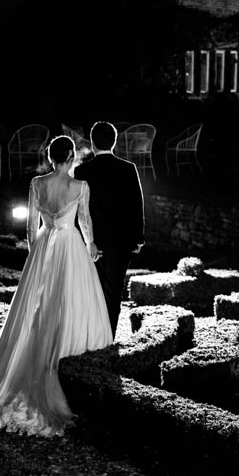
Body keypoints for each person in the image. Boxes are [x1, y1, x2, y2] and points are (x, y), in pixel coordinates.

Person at [0, 135, 112, 437]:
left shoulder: (37, 183)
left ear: (51, 157)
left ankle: (29, 364)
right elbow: (84, 222)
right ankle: (68, 363)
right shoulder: (79, 187)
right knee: (70, 303)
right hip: (70, 246)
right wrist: (92, 245)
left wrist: (36, 254)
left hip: (44, 247)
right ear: (70, 156)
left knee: (36, 308)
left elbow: (31, 226)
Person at [73, 121, 145, 337]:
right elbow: (136, 203)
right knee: (113, 294)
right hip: (120, 243)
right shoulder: (128, 168)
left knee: (90, 292)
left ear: (93, 143)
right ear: (114, 142)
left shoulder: (82, 170)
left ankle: (91, 336)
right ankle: (108, 337)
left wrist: (81, 239)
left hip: (92, 242)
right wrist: (138, 239)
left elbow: (78, 209)